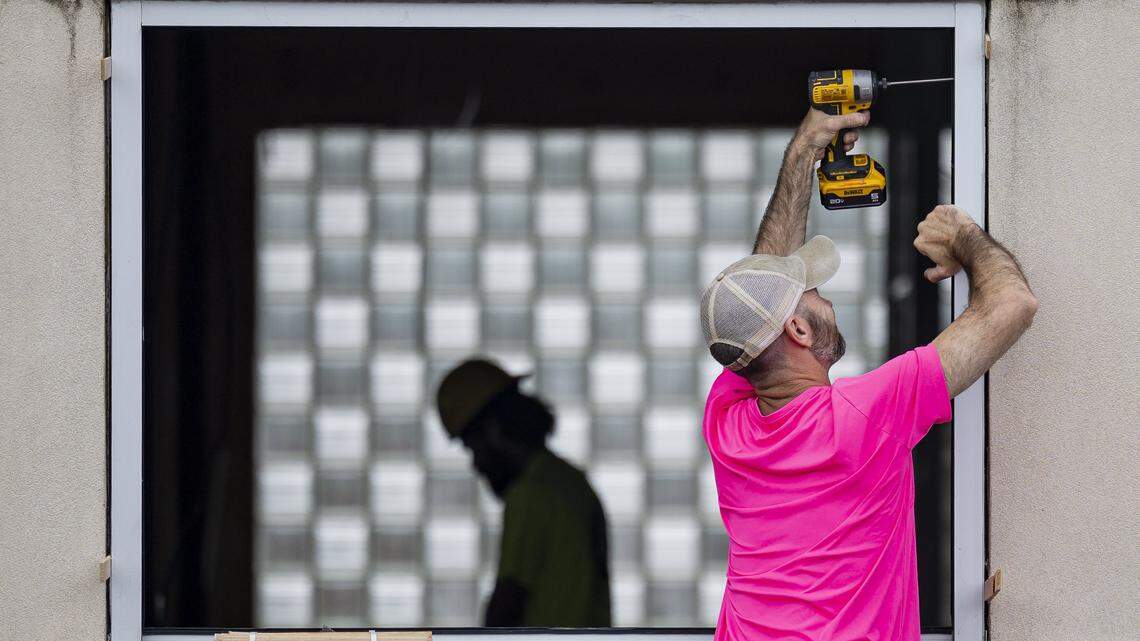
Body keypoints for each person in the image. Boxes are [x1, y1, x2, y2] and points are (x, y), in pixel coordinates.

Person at [699, 107, 1037, 640]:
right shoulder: (866, 413)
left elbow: (757, 303)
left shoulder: (727, 426)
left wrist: (806, 149)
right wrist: (963, 235)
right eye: (814, 294)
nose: (825, 297)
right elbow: (1012, 303)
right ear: (799, 330)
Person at [435, 358, 612, 627]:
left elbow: (508, 603)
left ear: (492, 431)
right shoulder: (571, 482)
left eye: (473, 447)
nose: (476, 465)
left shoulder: (531, 494)